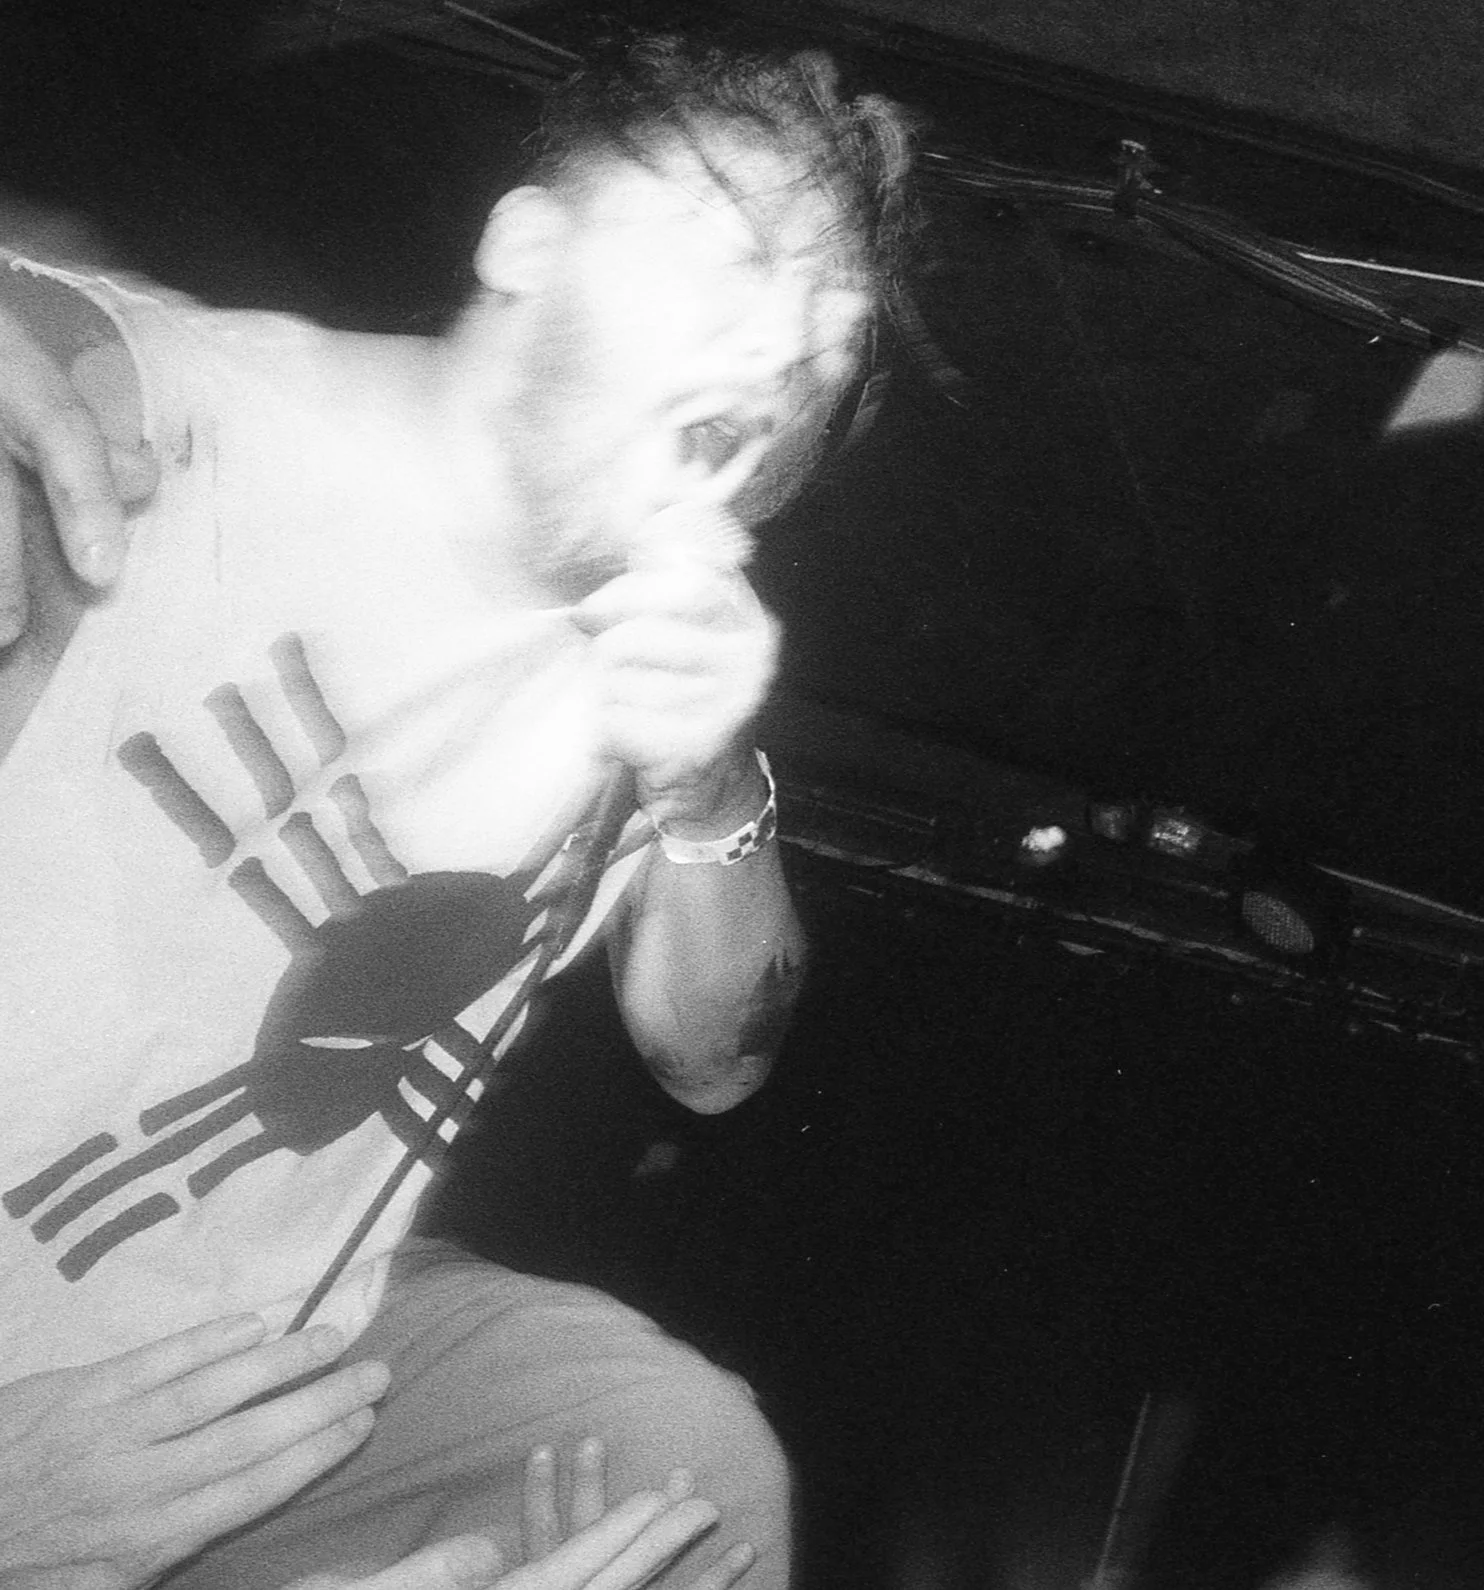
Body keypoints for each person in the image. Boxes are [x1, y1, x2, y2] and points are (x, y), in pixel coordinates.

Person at [0, 32, 918, 1590]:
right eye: (734, 248)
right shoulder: (153, 414)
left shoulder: (644, 680)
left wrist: (706, 782)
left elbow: (714, 1058)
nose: (780, 345)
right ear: (526, 244)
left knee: (682, 1476)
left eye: (830, 335)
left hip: (250, 1382)